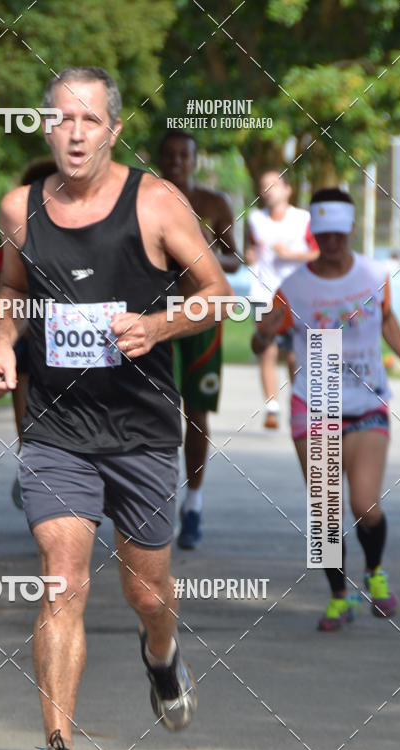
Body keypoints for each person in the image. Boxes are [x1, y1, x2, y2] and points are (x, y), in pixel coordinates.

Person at [0, 66, 233, 750]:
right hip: (59, 430)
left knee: (146, 591)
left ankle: (162, 655)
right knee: (63, 577)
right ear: (47, 126)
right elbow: (16, 289)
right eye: (63, 119)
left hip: (143, 430)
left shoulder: (155, 202)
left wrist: (157, 325)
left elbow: (216, 293)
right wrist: (1, 345)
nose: (77, 133)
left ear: (114, 130)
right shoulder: (19, 209)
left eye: (91, 120)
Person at [253, 187, 400, 631]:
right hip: (317, 401)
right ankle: (340, 597)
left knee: (364, 504)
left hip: (366, 402)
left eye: (339, 233)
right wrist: (263, 334)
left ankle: (375, 572)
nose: (332, 242)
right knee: (325, 510)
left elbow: (386, 319)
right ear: (315, 234)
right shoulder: (295, 287)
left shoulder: (372, 273)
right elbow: (261, 335)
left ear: (351, 229)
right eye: (324, 234)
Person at [158, 129, 241, 549]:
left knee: (197, 412)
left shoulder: (214, 204)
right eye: (169, 156)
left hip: (203, 318)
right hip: (157, 318)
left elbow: (235, 259)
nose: (176, 163)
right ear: (159, 159)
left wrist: (205, 251)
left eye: (183, 156)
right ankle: (157, 501)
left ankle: (193, 502)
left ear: (194, 160)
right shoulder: (145, 200)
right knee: (158, 410)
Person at [0, 159, 58, 507]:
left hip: (75, 350)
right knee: (29, 427)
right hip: (28, 345)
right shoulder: (13, 240)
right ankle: (31, 468)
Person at [246, 170, 319, 428]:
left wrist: (290, 254)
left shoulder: (303, 219)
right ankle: (271, 407)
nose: (269, 190)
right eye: (264, 186)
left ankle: (299, 403)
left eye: (274, 185)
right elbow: (249, 249)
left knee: (293, 356)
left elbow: (317, 254)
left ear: (288, 189)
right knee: (267, 349)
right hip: (264, 293)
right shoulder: (255, 219)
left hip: (296, 294)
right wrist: (250, 256)